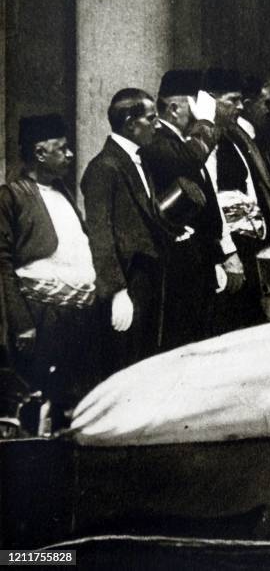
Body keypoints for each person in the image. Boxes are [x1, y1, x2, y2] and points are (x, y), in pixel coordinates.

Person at [0, 114, 101, 433]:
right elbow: (2, 264)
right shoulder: (12, 196)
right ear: (40, 152)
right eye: (62, 148)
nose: (70, 155)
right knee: (37, 401)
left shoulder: (63, 193)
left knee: (69, 402)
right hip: (40, 317)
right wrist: (22, 323)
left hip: (76, 316)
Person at [140, 70, 243, 347]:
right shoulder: (157, 140)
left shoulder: (177, 142)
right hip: (179, 269)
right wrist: (207, 120)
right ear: (174, 108)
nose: (198, 116)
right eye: (194, 106)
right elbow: (188, 161)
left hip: (198, 265)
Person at [81, 89, 171, 369]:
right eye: (152, 118)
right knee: (127, 363)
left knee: (145, 361)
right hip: (128, 281)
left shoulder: (136, 161)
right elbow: (100, 234)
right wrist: (117, 291)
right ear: (131, 123)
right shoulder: (104, 168)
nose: (157, 125)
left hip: (146, 280)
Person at [202, 68, 270, 331]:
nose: (240, 107)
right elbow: (213, 201)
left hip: (252, 248)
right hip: (234, 252)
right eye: (233, 100)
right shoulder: (207, 140)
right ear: (210, 100)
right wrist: (229, 254)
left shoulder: (234, 137)